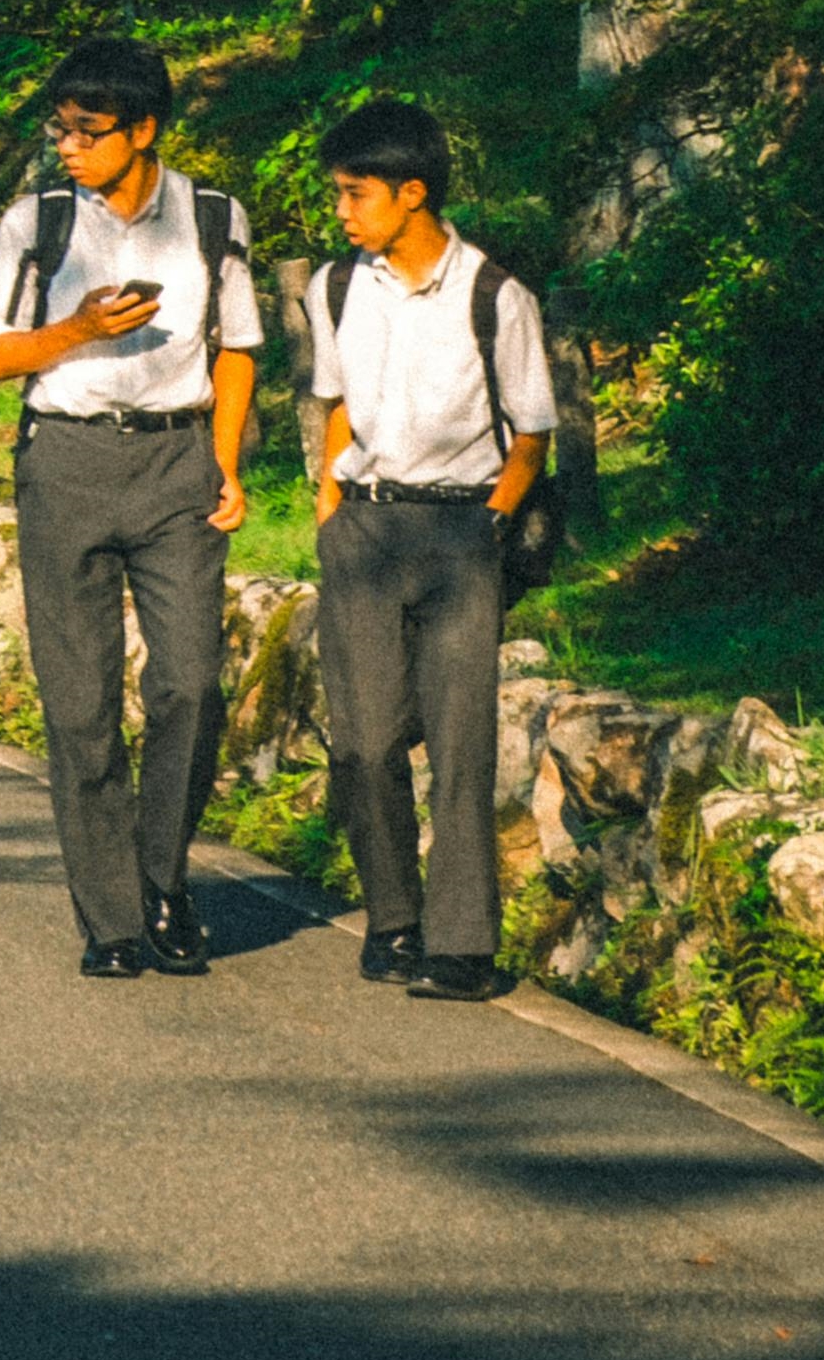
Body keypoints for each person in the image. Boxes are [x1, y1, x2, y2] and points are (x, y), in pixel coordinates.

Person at [0, 39, 264, 980]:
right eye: (60, 129)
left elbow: (240, 347)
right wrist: (79, 329)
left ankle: (163, 878)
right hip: (67, 461)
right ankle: (113, 919)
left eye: (88, 132)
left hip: (178, 460)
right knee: (81, 704)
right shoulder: (36, 222)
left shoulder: (213, 217)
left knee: (190, 682)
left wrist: (225, 465)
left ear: (145, 131)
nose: (69, 147)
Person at [305, 99, 555, 1005]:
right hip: (363, 529)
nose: (342, 209)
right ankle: (393, 919)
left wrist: (490, 521)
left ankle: (462, 946)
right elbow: (333, 406)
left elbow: (531, 435)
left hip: (460, 534)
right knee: (365, 742)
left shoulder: (497, 296)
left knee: (460, 743)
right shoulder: (334, 288)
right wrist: (331, 505)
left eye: (354, 193)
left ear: (413, 194)